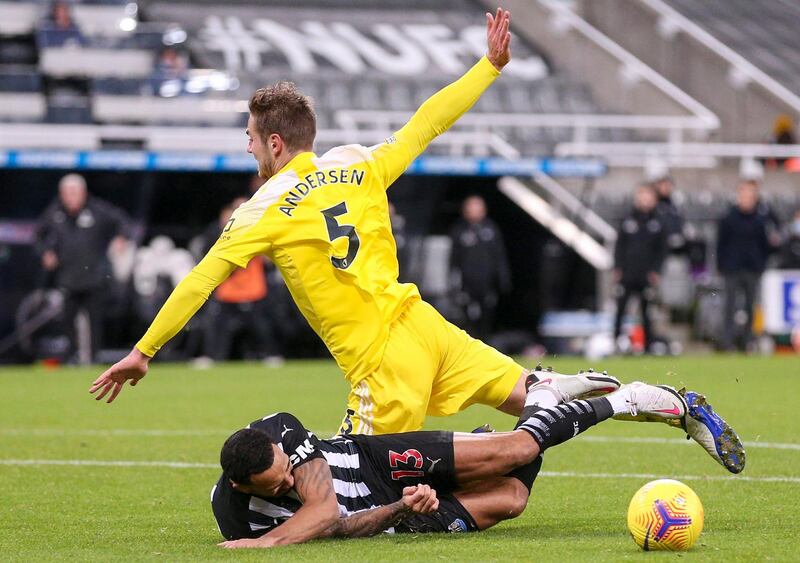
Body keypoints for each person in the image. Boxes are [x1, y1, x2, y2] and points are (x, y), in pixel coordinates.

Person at [91, 11, 535, 436]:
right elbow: (424, 124)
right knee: (533, 397)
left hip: (379, 359)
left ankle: (470, 457)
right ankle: (592, 403)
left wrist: (142, 351)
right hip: (424, 324)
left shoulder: (261, 208)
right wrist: (490, 66)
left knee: (346, 496)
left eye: (250, 137)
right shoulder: (358, 161)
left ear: (275, 142)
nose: (249, 149)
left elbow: (199, 281)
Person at [211, 369, 745, 548]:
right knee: (511, 496)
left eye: (288, 471)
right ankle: (542, 394)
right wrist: (400, 510)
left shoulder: (277, 428)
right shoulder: (233, 512)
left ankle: (635, 398)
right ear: (242, 487)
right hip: (394, 515)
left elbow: (323, 512)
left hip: (380, 462)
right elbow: (340, 530)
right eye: (278, 487)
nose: (289, 483)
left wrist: (268, 543)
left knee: (516, 449)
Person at [37, 173, 131, 363]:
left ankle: (94, 358)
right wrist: (46, 252)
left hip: (93, 278)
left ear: (83, 192)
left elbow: (122, 222)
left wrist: (120, 238)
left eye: (74, 192)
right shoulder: (55, 214)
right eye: (66, 193)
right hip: (67, 278)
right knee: (67, 321)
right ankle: (72, 357)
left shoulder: (98, 210)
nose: (70, 197)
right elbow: (38, 235)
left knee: (94, 322)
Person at [199, 199, 283, 364]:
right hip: (228, 290)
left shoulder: (260, 227)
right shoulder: (220, 231)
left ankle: (270, 354)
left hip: (254, 288)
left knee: (262, 327)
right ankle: (211, 356)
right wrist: (224, 226)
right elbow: (207, 253)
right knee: (216, 326)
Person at [716, 180, 773, 351]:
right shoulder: (728, 218)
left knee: (750, 306)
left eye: (750, 196)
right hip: (732, 268)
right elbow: (721, 244)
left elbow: (765, 245)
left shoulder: (760, 220)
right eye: (744, 195)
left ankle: (748, 341)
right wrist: (722, 265)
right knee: (730, 306)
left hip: (752, 269)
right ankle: (727, 341)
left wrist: (761, 265)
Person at [449, 195, 511, 341]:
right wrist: (453, 283)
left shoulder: (491, 229)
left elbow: (499, 256)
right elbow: (453, 260)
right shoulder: (459, 230)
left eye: (478, 207)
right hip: (467, 284)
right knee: (468, 316)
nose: (474, 211)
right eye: (471, 207)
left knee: (487, 315)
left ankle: (486, 343)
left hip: (487, 284)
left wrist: (503, 279)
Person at [613, 183, 666, 353]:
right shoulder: (627, 220)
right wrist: (618, 267)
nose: (644, 199)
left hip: (646, 275)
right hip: (628, 274)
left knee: (647, 312)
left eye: (648, 196)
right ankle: (616, 343)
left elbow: (662, 250)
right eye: (642, 195)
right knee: (621, 309)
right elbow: (619, 246)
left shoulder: (658, 223)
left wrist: (656, 270)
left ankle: (648, 346)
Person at [652, 175, 685, 253]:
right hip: (657, 246)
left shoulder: (675, 206)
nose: (666, 188)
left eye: (668, 185)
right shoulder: (653, 204)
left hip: (674, 246)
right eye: (663, 185)